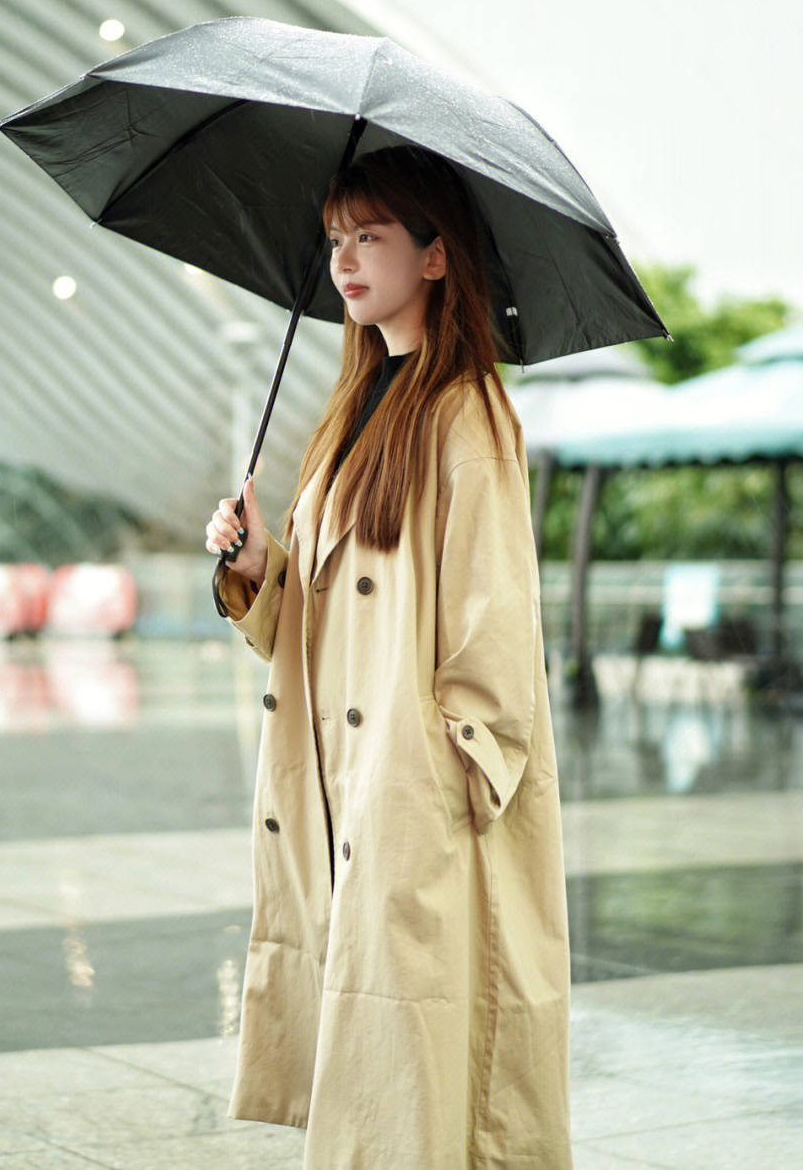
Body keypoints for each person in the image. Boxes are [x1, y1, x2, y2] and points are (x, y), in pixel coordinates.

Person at [204, 144, 573, 1170]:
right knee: (368, 1073)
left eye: (370, 236)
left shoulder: (466, 413)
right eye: (334, 239)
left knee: (415, 1080)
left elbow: (493, 625)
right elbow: (319, 622)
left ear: (438, 255)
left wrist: (444, 767)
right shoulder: (354, 407)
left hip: (411, 800)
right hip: (337, 787)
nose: (345, 261)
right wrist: (261, 563)